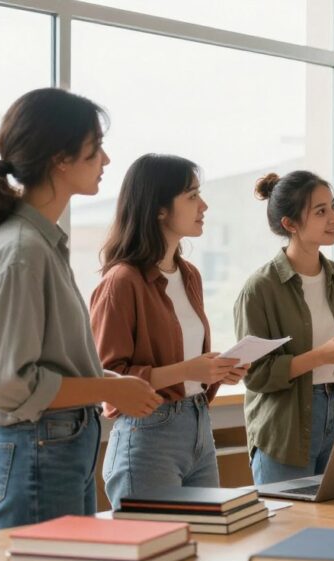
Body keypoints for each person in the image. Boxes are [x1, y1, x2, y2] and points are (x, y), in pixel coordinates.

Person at [0, 88, 161, 528]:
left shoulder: (41, 244)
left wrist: (110, 381)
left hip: (53, 451)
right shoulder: (23, 251)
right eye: (96, 149)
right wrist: (110, 390)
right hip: (39, 454)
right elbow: (6, 384)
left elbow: (48, 363)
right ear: (61, 159)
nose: (106, 161)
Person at [90, 154, 248, 508]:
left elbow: (186, 363)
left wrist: (217, 371)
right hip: (148, 437)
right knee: (156, 557)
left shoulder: (189, 274)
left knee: (205, 552)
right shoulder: (121, 281)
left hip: (198, 428)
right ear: (159, 209)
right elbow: (109, 382)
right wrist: (187, 371)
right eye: (192, 196)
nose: (203, 205)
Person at [235, 171, 334, 484]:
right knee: (286, 528)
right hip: (285, 429)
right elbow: (255, 374)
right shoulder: (260, 288)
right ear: (290, 224)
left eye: (333, 206)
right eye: (320, 211)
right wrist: (322, 356)